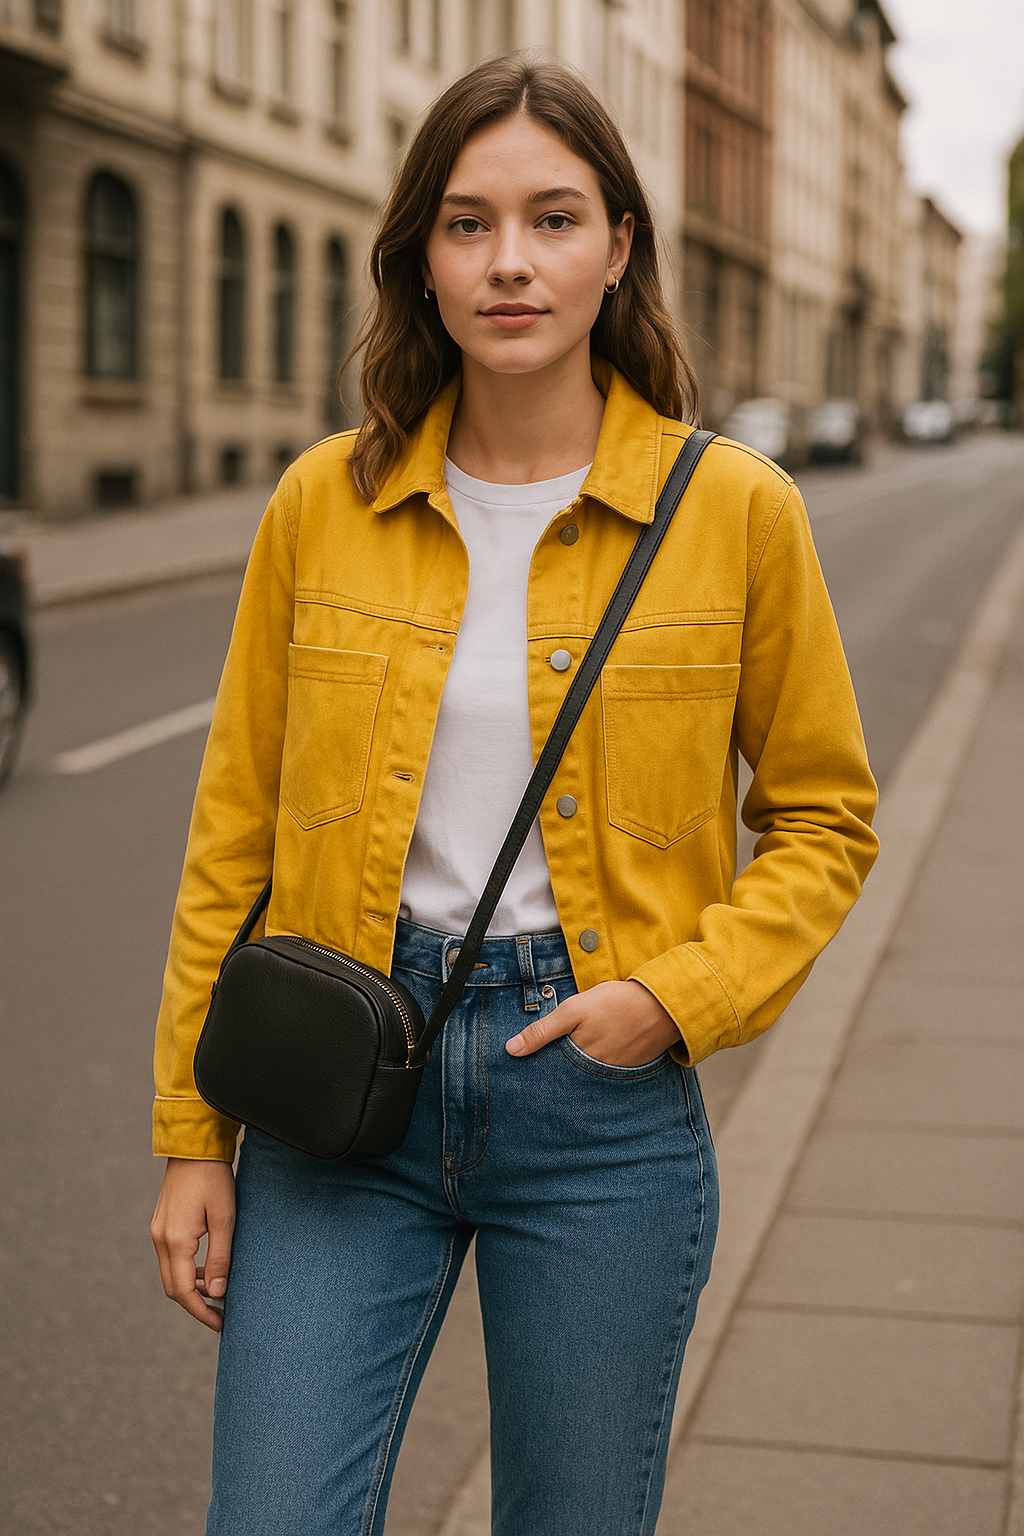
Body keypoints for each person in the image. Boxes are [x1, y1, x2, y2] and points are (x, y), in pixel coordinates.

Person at [150, 53, 878, 1536]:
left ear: (618, 249)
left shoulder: (735, 511)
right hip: (342, 1082)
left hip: (597, 1097)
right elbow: (234, 832)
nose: (510, 262)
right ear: (421, 257)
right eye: (468, 223)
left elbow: (823, 816)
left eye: (554, 219)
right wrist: (190, 1136)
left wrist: (675, 998)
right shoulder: (324, 503)